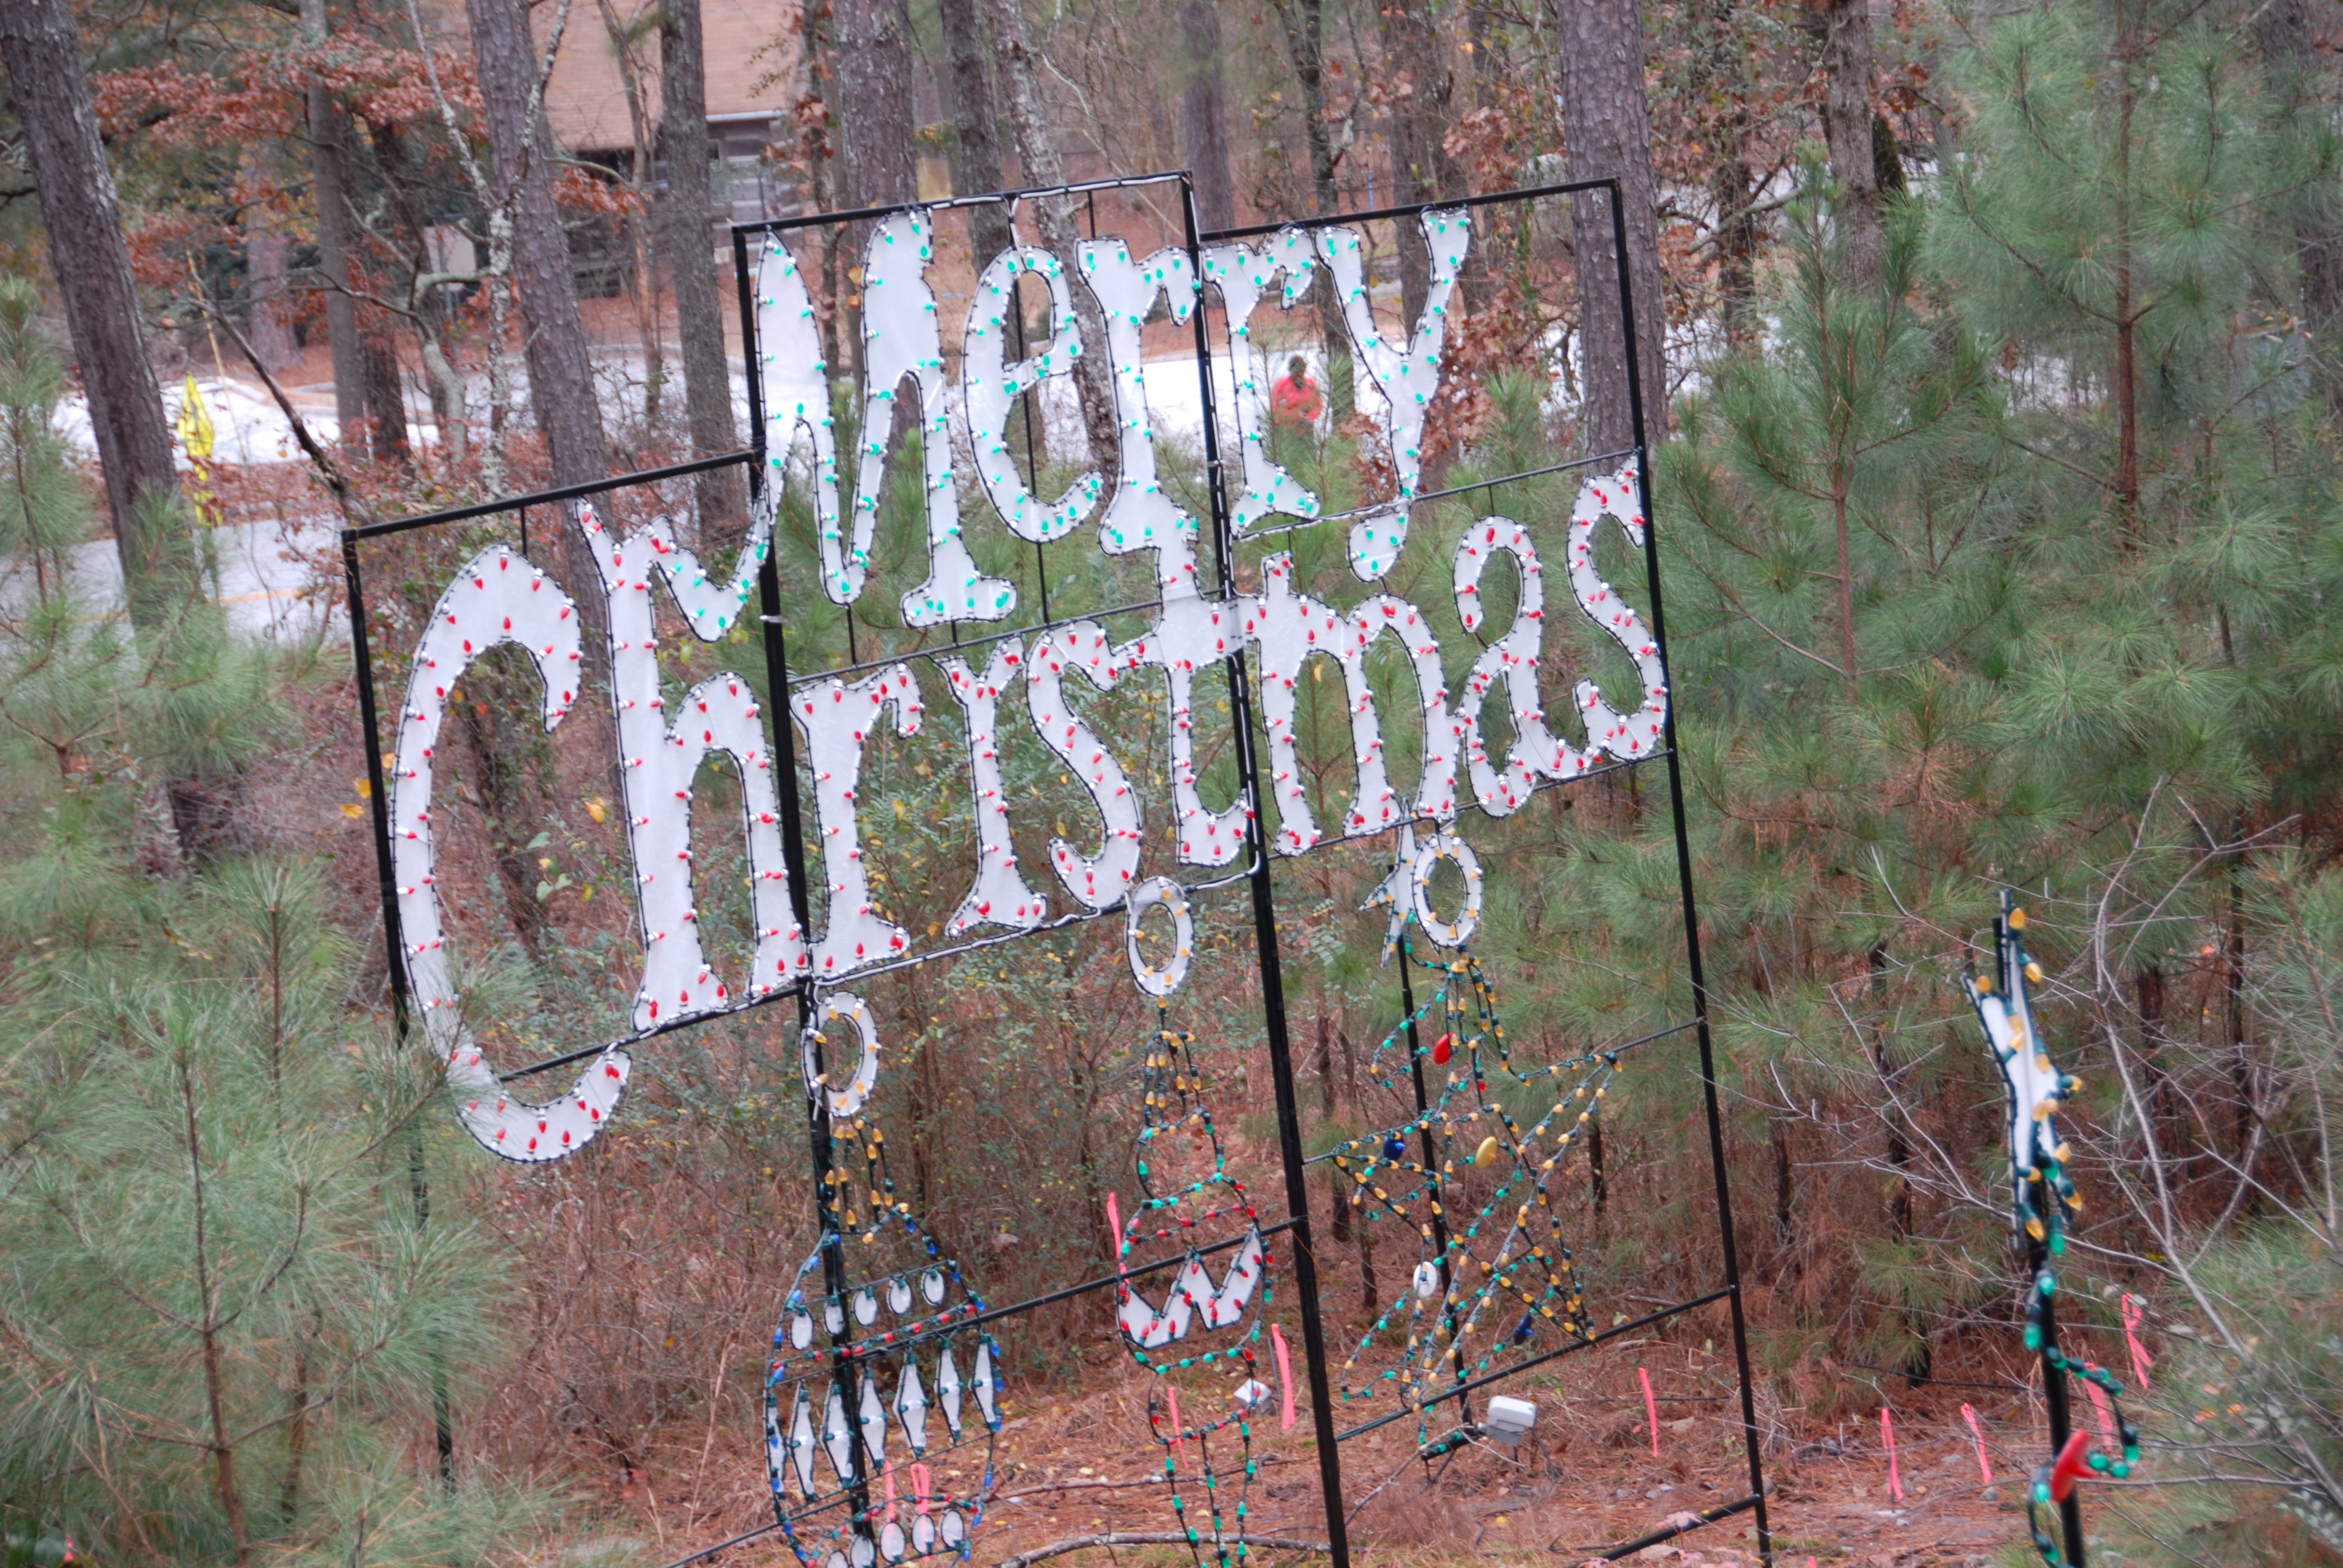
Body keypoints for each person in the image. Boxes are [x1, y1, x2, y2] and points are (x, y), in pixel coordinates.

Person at [1268, 354, 1323, 443]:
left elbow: (1319, 404)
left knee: (1308, 455)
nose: (1299, 375)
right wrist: (1296, 416)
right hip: (1287, 430)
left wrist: (1309, 417)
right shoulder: (1281, 385)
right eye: (1296, 372)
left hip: (1306, 429)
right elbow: (1276, 409)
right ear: (1290, 371)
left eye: (1301, 372)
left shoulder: (1311, 383)